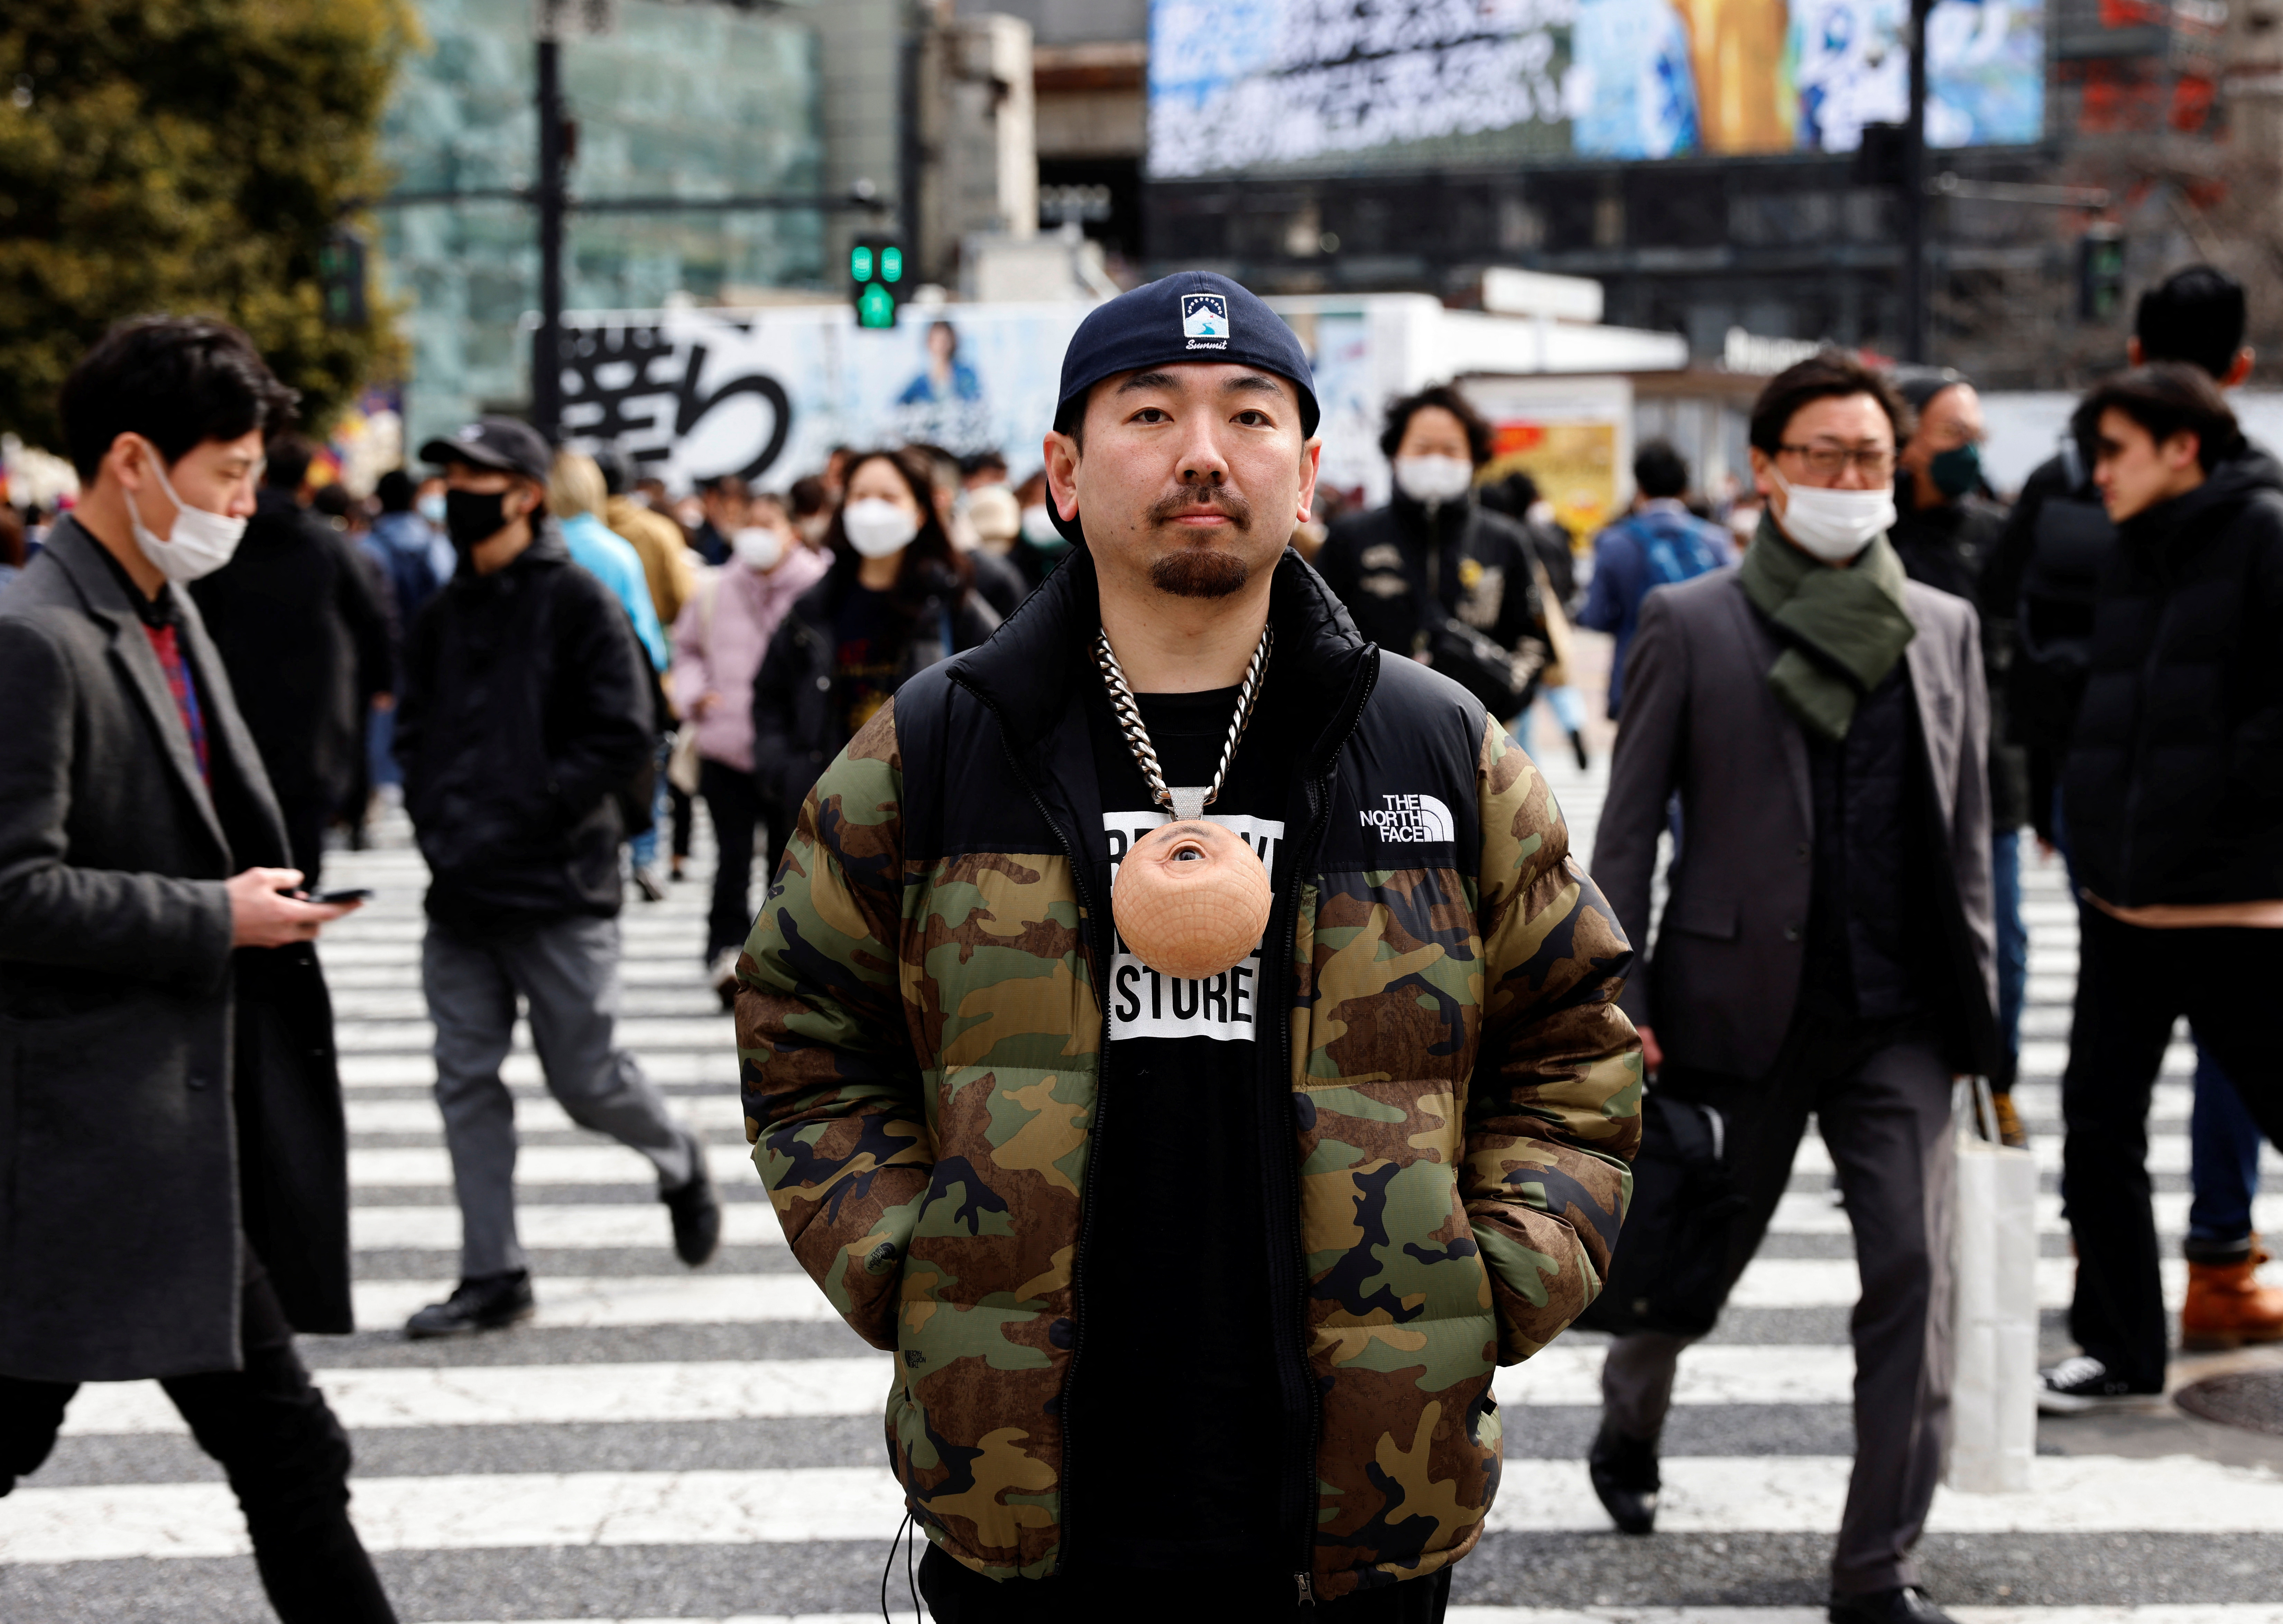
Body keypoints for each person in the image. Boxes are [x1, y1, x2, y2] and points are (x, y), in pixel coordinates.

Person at [734, 271, 1641, 1620]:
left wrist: (1483, 1278)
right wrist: (920, 1264)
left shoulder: (1436, 747)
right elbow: (802, 1030)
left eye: (1251, 416)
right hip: (1029, 1492)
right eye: (1149, 412)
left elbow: (1575, 1043)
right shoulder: (936, 746)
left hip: (1359, 1496)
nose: (1204, 452)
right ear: (1061, 469)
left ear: (1310, 470)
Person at [1588, 352, 1996, 1624]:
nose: (1847, 479)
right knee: (1684, 1275)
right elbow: (1627, 825)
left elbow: (1969, 827)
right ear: (1765, 470)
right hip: (1728, 1015)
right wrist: (1620, 995)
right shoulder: (1693, 621)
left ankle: (1875, 1567)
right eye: (1821, 456)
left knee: (1915, 1277)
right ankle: (1629, 1424)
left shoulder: (1944, 627)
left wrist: (1984, 1017)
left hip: (1901, 1018)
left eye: (1870, 457)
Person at [0, 315, 395, 1622]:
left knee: (289, 1454)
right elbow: (10, 890)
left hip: (159, 1139)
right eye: (229, 471)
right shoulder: (38, 635)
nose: (245, 501)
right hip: (75, 1139)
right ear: (132, 462)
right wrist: (208, 916)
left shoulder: (154, 608)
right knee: (285, 1452)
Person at [1985, 266, 2283, 1362]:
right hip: (2122, 900)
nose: (2092, 473)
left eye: (2113, 452)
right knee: (2097, 1132)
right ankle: (2118, 1344)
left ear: (2181, 447)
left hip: (2233, 905)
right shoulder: (2124, 542)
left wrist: (2199, 803)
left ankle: (2204, 1272)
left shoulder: (2262, 530)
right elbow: (2093, 682)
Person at [394, 417, 722, 1338]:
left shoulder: (579, 603)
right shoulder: (442, 612)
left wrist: (527, 811)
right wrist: (437, 820)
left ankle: (676, 1156)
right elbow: (413, 735)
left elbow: (623, 738)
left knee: (586, 1078)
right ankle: (492, 1271)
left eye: (473, 475)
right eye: (448, 474)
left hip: (557, 888)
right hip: (459, 893)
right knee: (464, 1078)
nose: (455, 491)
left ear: (525, 492)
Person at [1886, 370, 2033, 1144]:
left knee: (2001, 945)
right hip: (1896, 777)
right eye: (1953, 436)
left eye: (1976, 437)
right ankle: (1903, 1103)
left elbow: (2026, 656)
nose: (1969, 453)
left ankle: (1995, 1081)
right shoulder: (1874, 536)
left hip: (1990, 780)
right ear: (1906, 442)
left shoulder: (1994, 535)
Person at [748, 446, 999, 819]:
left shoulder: (949, 602)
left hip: (925, 820)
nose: (871, 509)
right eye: (860, 496)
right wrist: (788, 775)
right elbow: (769, 697)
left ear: (919, 513)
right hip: (828, 816)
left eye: (888, 497)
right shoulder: (813, 608)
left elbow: (1005, 688)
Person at [187, 432, 392, 888]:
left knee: (243, 829)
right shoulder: (330, 544)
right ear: (307, 482)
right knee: (304, 836)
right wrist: (381, 681)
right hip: (316, 709)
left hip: (238, 700)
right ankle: (298, 912)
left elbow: (195, 617)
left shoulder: (230, 543)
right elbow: (373, 616)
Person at [669, 490, 829, 1005]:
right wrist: (695, 696)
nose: (756, 534)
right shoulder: (715, 587)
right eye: (749, 523)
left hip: (791, 752)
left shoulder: (819, 587)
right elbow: (686, 648)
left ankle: (780, 957)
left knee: (789, 863)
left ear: (791, 531)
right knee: (731, 857)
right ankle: (726, 952)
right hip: (727, 744)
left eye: (768, 523)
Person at [1315, 384, 1555, 722]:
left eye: (1450, 450)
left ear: (1473, 456)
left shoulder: (1506, 541)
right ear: (1395, 453)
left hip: (1477, 737)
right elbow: (1318, 635)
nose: (1435, 460)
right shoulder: (1351, 537)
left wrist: (1498, 705)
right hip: (1366, 734)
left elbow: (1533, 642)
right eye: (1422, 448)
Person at [548, 449, 672, 896]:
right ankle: (642, 855)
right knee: (639, 770)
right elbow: (645, 636)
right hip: (615, 688)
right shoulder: (615, 553)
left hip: (548, 696)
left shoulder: (536, 551)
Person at [598, 444, 700, 882]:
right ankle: (644, 854)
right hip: (649, 661)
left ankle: (604, 853)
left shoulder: (573, 533)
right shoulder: (657, 532)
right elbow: (685, 599)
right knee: (650, 758)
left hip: (584, 667)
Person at [1577, 439, 1735, 720]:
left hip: (1637, 677)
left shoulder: (1614, 542)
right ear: (1685, 490)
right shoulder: (1716, 541)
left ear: (1639, 487)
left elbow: (1595, 617)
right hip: (1707, 678)